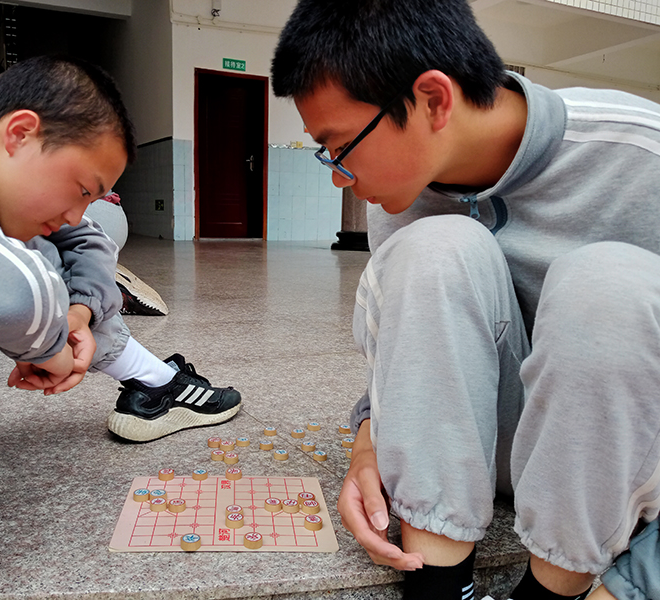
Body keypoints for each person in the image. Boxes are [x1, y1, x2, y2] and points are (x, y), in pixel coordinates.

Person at [271, 1, 660, 600]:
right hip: (499, 449)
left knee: (606, 284)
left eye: (340, 147)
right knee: (436, 247)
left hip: (629, 465)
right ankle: (438, 585)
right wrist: (369, 442)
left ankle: (552, 593)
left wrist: (640, 578)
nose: (338, 175)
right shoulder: (407, 193)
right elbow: (413, 350)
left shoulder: (642, 155)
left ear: (433, 100)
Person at [0, 41, 240, 443]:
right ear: (20, 133)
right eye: (82, 191)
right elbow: (6, 282)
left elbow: (87, 235)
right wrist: (48, 349)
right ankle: (157, 379)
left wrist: (80, 313)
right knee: (35, 251)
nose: (78, 214)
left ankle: (155, 376)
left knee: (54, 243)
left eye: (90, 197)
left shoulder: (2, 161)